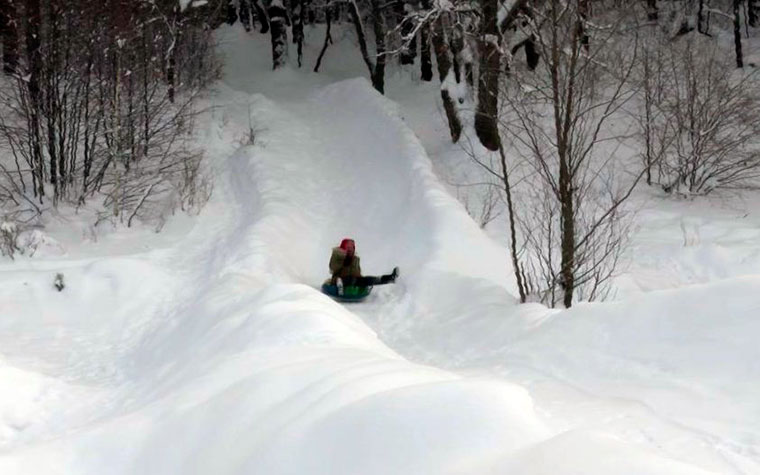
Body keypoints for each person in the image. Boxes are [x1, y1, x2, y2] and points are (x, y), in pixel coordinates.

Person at [329, 238, 398, 288]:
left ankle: (389, 278)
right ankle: (340, 286)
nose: (350, 249)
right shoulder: (337, 255)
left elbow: (357, 272)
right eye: (348, 247)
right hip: (339, 279)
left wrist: (363, 280)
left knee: (368, 279)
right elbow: (333, 267)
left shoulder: (355, 258)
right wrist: (343, 258)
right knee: (348, 279)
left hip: (354, 279)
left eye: (352, 247)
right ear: (343, 247)